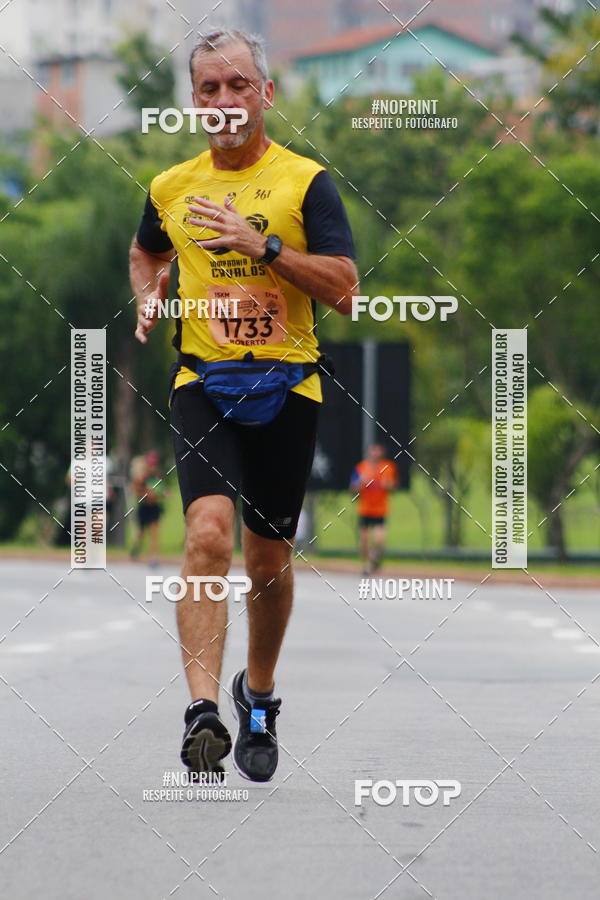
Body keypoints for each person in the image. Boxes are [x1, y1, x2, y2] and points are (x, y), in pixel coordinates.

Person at [129, 28, 358, 781]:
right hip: (204, 382)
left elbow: (345, 289)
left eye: (237, 86)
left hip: (288, 385)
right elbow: (147, 249)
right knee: (206, 534)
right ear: (192, 100)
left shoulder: (305, 182)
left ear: (266, 93)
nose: (223, 101)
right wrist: (149, 291)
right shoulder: (171, 186)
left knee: (268, 562)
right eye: (207, 89)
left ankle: (256, 695)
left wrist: (261, 247)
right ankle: (201, 712)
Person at [350, 444, 399, 575]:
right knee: (364, 541)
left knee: (379, 539)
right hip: (365, 509)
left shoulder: (388, 467)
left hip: (380, 509)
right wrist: (360, 483)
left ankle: (373, 561)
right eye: (373, 452)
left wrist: (388, 485)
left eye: (378, 452)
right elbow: (353, 488)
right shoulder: (361, 468)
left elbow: (394, 486)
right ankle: (367, 564)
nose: (375, 454)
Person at [130, 451, 166, 566]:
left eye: (154, 464)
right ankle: (136, 549)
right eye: (151, 464)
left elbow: (161, 489)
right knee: (141, 532)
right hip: (144, 507)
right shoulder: (142, 477)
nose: (153, 467)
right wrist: (145, 493)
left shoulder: (158, 476)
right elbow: (135, 490)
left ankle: (153, 557)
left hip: (154, 507)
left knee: (154, 532)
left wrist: (164, 493)